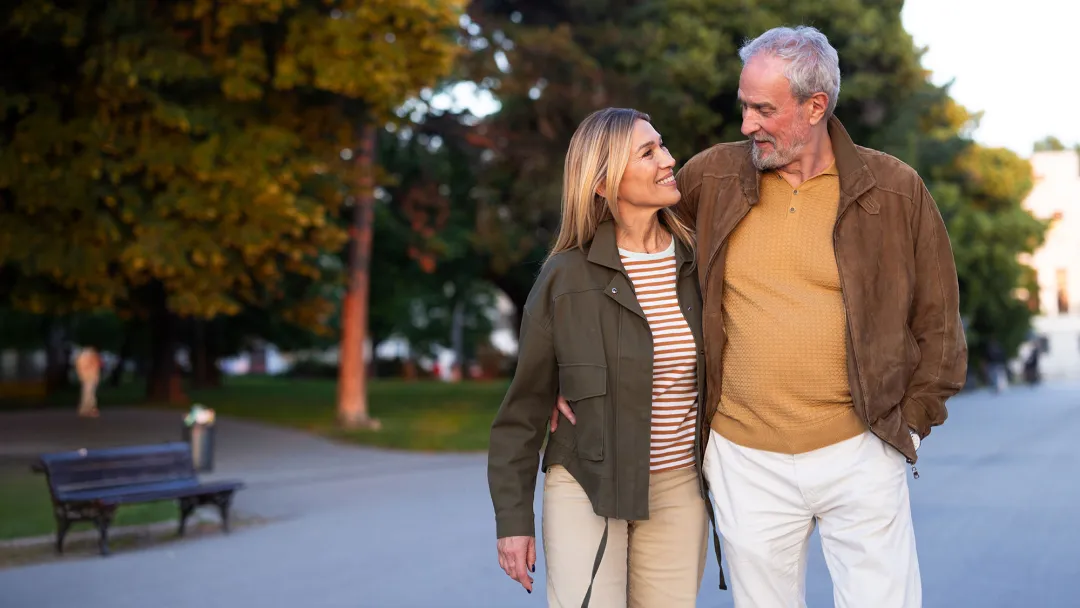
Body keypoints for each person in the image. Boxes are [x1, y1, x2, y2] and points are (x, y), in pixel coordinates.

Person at [555, 26, 967, 608]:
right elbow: (616, 248)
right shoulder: (711, 178)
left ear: (815, 106)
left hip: (861, 449)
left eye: (763, 109)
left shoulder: (895, 191)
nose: (747, 123)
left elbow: (941, 326)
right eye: (743, 105)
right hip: (744, 458)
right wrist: (564, 368)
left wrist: (907, 427)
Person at [487, 107, 716, 607]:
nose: (670, 160)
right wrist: (513, 522)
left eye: (664, 145)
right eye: (649, 151)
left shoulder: (702, 264)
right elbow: (523, 412)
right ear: (602, 181)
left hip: (679, 488)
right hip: (587, 486)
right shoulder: (564, 277)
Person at [75, 346, 103, 417]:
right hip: (90, 377)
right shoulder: (90, 357)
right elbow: (97, 366)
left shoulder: (83, 357)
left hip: (88, 377)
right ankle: (88, 409)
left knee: (87, 393)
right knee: (89, 394)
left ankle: (85, 409)